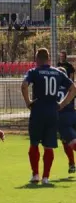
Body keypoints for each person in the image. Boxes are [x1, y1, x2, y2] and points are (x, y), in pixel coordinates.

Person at [21, 48, 76, 184]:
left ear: (37, 59)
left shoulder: (34, 71)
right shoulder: (57, 72)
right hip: (53, 112)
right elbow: (73, 88)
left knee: (34, 144)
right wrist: (62, 104)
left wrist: (28, 102)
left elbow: (24, 85)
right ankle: (46, 177)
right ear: (48, 58)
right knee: (49, 146)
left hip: (38, 111)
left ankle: (35, 175)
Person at [56, 67, 76, 174]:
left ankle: (72, 163)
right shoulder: (70, 86)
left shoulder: (53, 87)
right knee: (67, 141)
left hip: (62, 118)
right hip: (73, 115)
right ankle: (72, 164)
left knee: (68, 142)